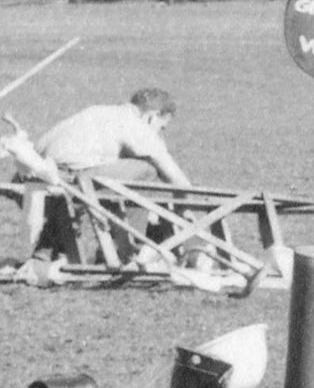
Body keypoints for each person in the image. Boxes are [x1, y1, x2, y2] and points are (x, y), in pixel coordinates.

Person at [21, 88, 196, 261]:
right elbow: (177, 179)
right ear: (153, 116)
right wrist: (184, 208)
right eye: (161, 127)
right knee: (146, 170)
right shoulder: (134, 124)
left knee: (108, 177)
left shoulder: (97, 111)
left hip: (32, 183)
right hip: (69, 183)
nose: (160, 133)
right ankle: (128, 249)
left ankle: (49, 252)